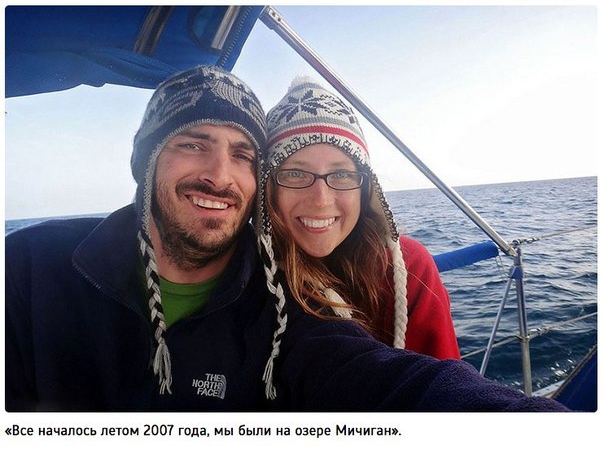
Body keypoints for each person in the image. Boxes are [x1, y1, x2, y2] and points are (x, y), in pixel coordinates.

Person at [5, 65, 568, 412]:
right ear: (146, 160)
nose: (219, 175)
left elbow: (404, 383)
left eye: (242, 154)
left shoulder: (284, 312)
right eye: (192, 143)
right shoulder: (27, 267)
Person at [257, 76, 459, 361]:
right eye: (295, 173)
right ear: (268, 187)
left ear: (365, 189)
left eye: (341, 174)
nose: (321, 199)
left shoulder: (408, 267)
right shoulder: (246, 275)